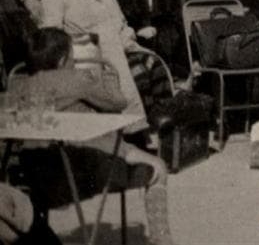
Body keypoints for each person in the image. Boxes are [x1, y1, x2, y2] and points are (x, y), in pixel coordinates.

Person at [13, 27, 176, 245]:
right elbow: (118, 102)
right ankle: (161, 239)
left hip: (37, 174)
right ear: (62, 60)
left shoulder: (20, 85)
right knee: (158, 166)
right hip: (82, 171)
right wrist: (107, 74)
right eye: (72, 56)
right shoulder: (76, 79)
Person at [40, 0, 149, 129]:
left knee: (149, 63)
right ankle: (134, 126)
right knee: (107, 40)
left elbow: (121, 25)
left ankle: (144, 126)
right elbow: (51, 39)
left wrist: (134, 45)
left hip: (114, 53)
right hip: (79, 60)